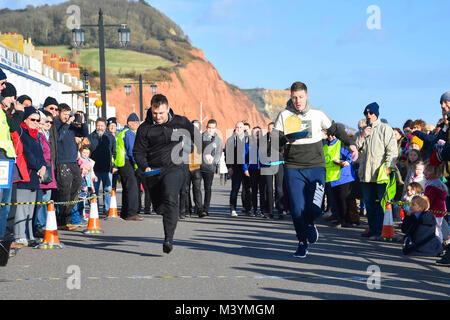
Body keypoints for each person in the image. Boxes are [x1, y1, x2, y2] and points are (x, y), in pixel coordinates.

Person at [273, 81, 358, 258]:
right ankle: (302, 241)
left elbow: (336, 129)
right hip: (293, 167)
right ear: (290, 97)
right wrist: (285, 140)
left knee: (314, 208)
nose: (298, 101)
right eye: (294, 97)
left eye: (301, 97)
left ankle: (310, 223)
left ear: (307, 96)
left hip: (316, 167)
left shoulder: (317, 114)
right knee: (296, 210)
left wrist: (351, 144)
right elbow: (273, 141)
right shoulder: (284, 115)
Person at [133, 94, 201, 254]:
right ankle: (164, 210)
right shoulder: (145, 128)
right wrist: (145, 166)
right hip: (153, 171)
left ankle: (168, 239)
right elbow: (138, 151)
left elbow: (196, 135)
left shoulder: (180, 121)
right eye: (155, 113)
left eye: (161, 113)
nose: (158, 117)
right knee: (159, 207)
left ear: (168, 109)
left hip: (175, 167)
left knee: (171, 198)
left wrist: (201, 151)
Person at [355, 102, 398, 240]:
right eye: (366, 113)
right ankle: (373, 229)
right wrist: (362, 136)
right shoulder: (363, 130)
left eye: (370, 113)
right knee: (368, 203)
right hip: (366, 174)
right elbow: (355, 149)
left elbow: (392, 150)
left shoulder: (385, 129)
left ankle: (381, 230)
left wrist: (388, 167)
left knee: (381, 203)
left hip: (380, 173)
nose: (368, 116)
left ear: (376, 114)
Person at [13, 107, 47, 247]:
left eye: (37, 120)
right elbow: (27, 153)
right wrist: (39, 166)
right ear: (25, 119)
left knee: (31, 208)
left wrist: (43, 166)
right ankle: (20, 235)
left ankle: (29, 234)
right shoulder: (22, 133)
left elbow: (40, 154)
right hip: (24, 174)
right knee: (21, 208)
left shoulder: (36, 135)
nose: (35, 122)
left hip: (34, 177)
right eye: (32, 119)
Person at [54, 103, 88, 230]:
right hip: (62, 161)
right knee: (64, 190)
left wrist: (83, 122)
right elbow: (59, 138)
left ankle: (66, 213)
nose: (67, 117)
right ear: (59, 113)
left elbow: (84, 133)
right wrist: (67, 123)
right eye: (65, 114)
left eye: (69, 114)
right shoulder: (57, 125)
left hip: (73, 161)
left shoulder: (71, 126)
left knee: (78, 184)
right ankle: (63, 220)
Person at [324, 133, 356, 228]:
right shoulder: (324, 146)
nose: (330, 136)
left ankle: (346, 220)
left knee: (343, 199)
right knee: (335, 199)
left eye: (332, 135)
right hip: (332, 177)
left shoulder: (340, 143)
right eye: (328, 134)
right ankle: (339, 219)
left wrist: (347, 161)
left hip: (344, 176)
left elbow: (351, 154)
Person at [115, 113, 143, 221]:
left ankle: (125, 212)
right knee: (132, 188)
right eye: (135, 123)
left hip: (122, 163)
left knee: (127, 189)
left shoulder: (123, 132)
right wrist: (138, 164)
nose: (137, 125)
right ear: (129, 123)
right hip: (127, 162)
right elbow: (132, 151)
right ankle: (132, 213)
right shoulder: (129, 133)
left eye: (137, 122)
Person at [34, 110, 57, 237]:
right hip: (43, 169)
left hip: (49, 168)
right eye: (45, 121)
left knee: (47, 198)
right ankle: (40, 225)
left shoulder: (46, 134)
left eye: (49, 122)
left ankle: (43, 224)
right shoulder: (39, 134)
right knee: (41, 199)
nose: (48, 123)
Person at [88, 118, 116, 216]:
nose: (100, 128)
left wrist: (114, 165)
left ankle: (108, 209)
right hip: (94, 170)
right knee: (93, 190)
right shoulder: (90, 137)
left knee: (107, 190)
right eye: (98, 125)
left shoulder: (110, 137)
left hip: (107, 168)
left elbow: (114, 152)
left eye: (102, 126)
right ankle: (94, 209)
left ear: (105, 126)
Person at [225, 121, 250, 217]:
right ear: (235, 128)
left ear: (244, 128)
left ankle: (248, 209)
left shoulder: (249, 139)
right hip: (235, 168)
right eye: (237, 127)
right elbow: (227, 155)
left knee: (247, 189)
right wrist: (229, 167)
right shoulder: (230, 140)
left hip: (247, 168)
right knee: (235, 189)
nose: (239, 129)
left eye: (240, 127)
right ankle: (233, 209)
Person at [200, 119, 222, 216]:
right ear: (206, 128)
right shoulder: (200, 138)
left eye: (213, 128)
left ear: (216, 129)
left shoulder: (218, 140)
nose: (211, 130)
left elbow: (218, 154)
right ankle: (198, 208)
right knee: (197, 188)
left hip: (209, 168)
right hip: (199, 166)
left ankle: (206, 209)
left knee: (207, 188)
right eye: (209, 128)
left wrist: (213, 161)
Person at [243, 126, 265, 217]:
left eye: (258, 132)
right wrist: (245, 169)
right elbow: (244, 158)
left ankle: (263, 210)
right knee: (254, 190)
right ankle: (255, 209)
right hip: (252, 169)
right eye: (255, 132)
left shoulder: (265, 144)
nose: (257, 134)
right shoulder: (248, 144)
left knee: (263, 191)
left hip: (264, 169)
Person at [423, 163, 447, 243]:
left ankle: (437, 244)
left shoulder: (432, 186)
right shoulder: (437, 183)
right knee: (437, 227)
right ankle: (438, 243)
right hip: (439, 209)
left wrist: (423, 207)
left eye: (429, 171)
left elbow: (428, 200)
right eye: (426, 169)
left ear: (435, 173)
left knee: (435, 228)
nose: (425, 172)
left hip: (434, 210)